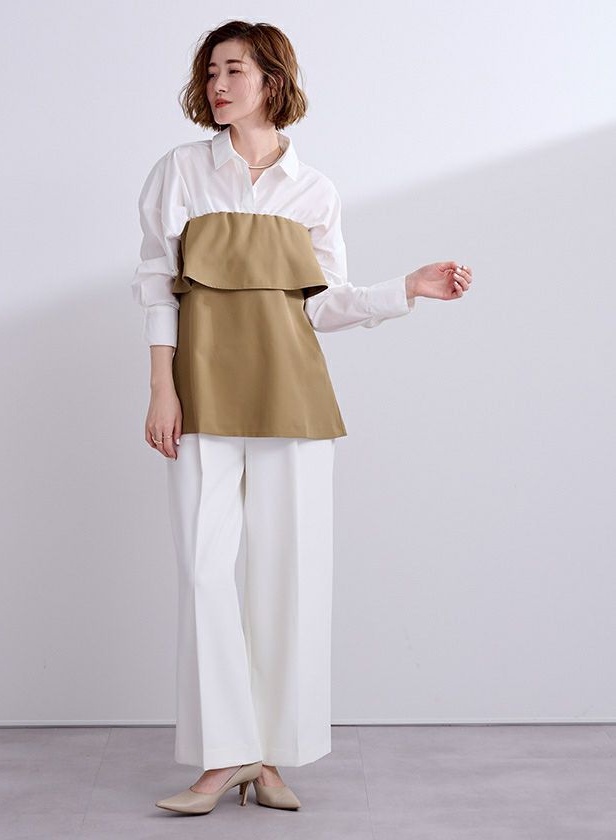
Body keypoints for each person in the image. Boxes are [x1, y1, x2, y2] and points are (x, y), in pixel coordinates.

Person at [132, 20, 473, 816]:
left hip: (292, 396)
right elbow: (155, 285)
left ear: (273, 80)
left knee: (289, 574)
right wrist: (161, 387)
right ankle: (225, 756)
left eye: (234, 70)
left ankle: (269, 757)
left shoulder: (313, 190)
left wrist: (405, 289)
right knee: (205, 573)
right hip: (201, 393)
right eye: (210, 71)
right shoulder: (180, 172)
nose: (218, 85)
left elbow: (323, 306)